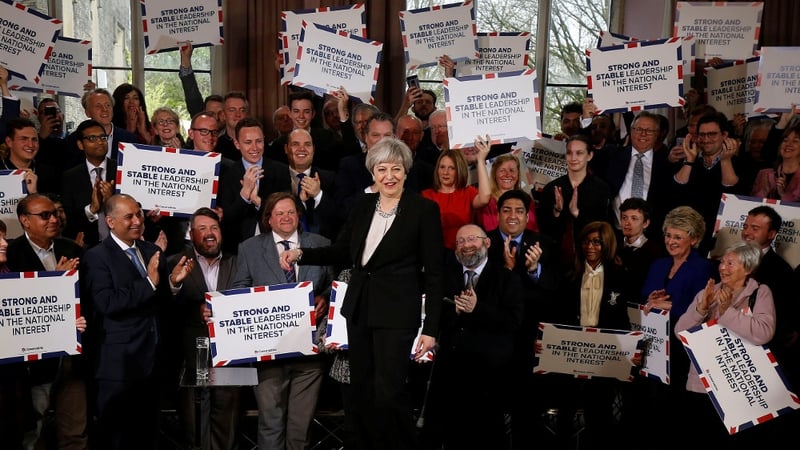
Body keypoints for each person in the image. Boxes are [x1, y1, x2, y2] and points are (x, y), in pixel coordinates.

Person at [280, 137, 443, 450]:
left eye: (396, 168)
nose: (389, 175)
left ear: (406, 172)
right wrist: (302, 253)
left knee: (390, 394)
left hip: (397, 314)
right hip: (359, 311)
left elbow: (435, 274)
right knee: (362, 392)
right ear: (373, 173)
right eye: (382, 169)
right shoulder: (363, 205)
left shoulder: (424, 210)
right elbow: (342, 249)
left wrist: (431, 329)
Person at [82, 193, 194, 450]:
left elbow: (161, 302)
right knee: (118, 437)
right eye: (129, 216)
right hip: (118, 364)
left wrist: (172, 284)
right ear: (110, 222)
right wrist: (150, 282)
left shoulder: (151, 250)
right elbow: (107, 304)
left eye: (139, 214)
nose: (137, 221)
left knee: (148, 434)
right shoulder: (96, 257)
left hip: (153, 361)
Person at [232, 192, 334, 450]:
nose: (286, 217)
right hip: (268, 354)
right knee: (270, 424)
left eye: (291, 212)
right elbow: (238, 291)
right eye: (279, 213)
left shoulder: (321, 243)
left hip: (309, 355)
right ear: (268, 219)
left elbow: (336, 284)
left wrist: (324, 297)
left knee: (301, 428)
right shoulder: (250, 247)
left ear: (299, 216)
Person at [423, 224, 523, 450]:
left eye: (471, 239)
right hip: (450, 374)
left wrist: (478, 309)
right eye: (460, 242)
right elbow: (433, 319)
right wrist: (455, 312)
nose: (466, 246)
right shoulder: (445, 279)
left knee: (485, 437)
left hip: (488, 376)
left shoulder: (507, 279)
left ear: (486, 243)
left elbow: (513, 322)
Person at [674, 241, 776, 448]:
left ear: (748, 268)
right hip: (701, 386)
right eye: (722, 262)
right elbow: (680, 332)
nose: (722, 267)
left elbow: (763, 333)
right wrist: (701, 309)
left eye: (730, 263)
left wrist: (727, 311)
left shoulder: (760, 293)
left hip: (738, 387)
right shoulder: (707, 293)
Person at [6, 194, 88, 450]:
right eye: (44, 215)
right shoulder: (10, 253)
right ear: (25, 221)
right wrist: (53, 280)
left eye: (54, 213)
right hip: (34, 364)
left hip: (72, 359)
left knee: (75, 431)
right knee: (33, 431)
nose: (54, 219)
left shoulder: (71, 249)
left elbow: (86, 296)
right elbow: (13, 306)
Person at [547, 220, 634, 447]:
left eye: (597, 242)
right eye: (585, 241)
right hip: (570, 354)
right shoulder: (570, 276)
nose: (590, 247)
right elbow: (557, 316)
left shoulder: (620, 277)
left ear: (607, 244)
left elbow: (624, 321)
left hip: (603, 356)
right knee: (565, 414)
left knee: (600, 414)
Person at [485, 189, 558, 450]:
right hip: (492, 341)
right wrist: (506, 268)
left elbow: (554, 291)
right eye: (506, 210)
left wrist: (533, 270)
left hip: (528, 340)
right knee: (490, 407)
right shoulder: (485, 243)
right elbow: (482, 292)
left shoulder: (544, 244)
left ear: (527, 216)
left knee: (526, 409)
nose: (512, 216)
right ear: (498, 215)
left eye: (518, 211)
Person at [639, 205, 716, 444]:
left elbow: (705, 309)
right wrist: (650, 301)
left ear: (693, 239)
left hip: (683, 349)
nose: (670, 241)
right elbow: (644, 297)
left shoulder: (705, 268)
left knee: (674, 408)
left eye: (677, 237)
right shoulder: (658, 264)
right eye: (668, 235)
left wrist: (673, 307)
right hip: (654, 345)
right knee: (650, 404)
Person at [170, 207, 241, 450]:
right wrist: (175, 288)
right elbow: (163, 307)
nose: (209, 234)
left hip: (230, 355)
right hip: (194, 354)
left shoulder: (239, 262)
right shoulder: (175, 263)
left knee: (226, 421)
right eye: (202, 229)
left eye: (213, 228)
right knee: (195, 423)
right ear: (191, 234)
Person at [674, 111, 748, 253]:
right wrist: (689, 161)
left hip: (722, 240)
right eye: (702, 135)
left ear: (724, 135)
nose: (706, 139)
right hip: (688, 238)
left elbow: (733, 195)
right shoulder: (689, 160)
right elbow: (677, 191)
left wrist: (725, 160)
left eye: (712, 134)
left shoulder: (740, 163)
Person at [537, 134, 612, 270]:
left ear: (589, 156)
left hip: (591, 260)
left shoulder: (601, 189)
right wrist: (557, 212)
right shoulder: (552, 188)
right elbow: (543, 228)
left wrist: (577, 214)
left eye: (579, 153)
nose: (573, 158)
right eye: (569, 153)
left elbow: (605, 227)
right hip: (556, 261)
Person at [217, 117, 291, 253]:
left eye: (259, 141)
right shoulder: (227, 174)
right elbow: (227, 219)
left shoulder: (280, 170)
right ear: (237, 144)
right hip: (238, 250)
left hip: (276, 248)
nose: (254, 148)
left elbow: (287, 212)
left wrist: (257, 201)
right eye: (248, 142)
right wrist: (244, 195)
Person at [604, 111, 677, 239]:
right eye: (638, 129)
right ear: (631, 131)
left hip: (651, 239)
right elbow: (587, 149)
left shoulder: (666, 163)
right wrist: (587, 120)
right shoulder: (612, 155)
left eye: (649, 131)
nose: (643, 134)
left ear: (657, 134)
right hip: (614, 235)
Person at [422, 139, 491, 252]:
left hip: (465, 252)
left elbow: (485, 197)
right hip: (437, 253)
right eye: (442, 167)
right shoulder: (426, 196)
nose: (445, 172)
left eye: (451, 168)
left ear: (459, 170)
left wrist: (480, 160)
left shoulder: (467, 193)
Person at [60, 119, 116, 248]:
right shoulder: (70, 177)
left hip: (121, 242)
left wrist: (111, 201)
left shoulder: (122, 170)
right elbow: (68, 220)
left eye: (103, 137)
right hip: (88, 247)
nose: (100, 142)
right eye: (92, 138)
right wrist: (91, 209)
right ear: (80, 144)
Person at [267, 89, 344, 172]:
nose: (301, 116)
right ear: (290, 113)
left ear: (313, 114)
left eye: (306, 112)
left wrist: (343, 112)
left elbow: (349, 154)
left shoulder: (328, 138)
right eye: (296, 111)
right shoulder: (278, 145)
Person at [284, 128, 339, 240]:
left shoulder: (330, 178)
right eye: (295, 144)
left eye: (307, 145)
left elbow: (338, 218)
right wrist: (300, 201)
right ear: (286, 149)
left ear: (313, 149)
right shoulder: (276, 177)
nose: (302, 149)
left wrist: (318, 195)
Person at [66, 88, 138, 167]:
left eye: (108, 105)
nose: (104, 110)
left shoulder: (130, 139)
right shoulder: (72, 141)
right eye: (98, 106)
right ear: (87, 113)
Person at [615, 197, 665, 300]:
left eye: (634, 218)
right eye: (624, 218)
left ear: (646, 223)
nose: (627, 223)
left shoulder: (655, 252)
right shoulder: (614, 246)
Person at [476, 152, 539, 233]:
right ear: (494, 174)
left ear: (518, 175)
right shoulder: (487, 202)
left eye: (512, 170)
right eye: (502, 170)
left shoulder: (527, 200)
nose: (507, 175)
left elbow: (533, 231)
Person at [2, 117, 58, 195]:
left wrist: (34, 193)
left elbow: (54, 206)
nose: (30, 145)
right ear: (9, 142)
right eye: (24, 139)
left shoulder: (49, 174)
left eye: (34, 140)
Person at [751, 123, 800, 202]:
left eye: (795, 141)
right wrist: (765, 191)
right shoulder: (764, 174)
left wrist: (783, 194)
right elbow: (751, 204)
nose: (788, 144)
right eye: (785, 140)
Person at [214, 91, 250, 161]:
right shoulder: (216, 146)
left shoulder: (259, 145)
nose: (238, 115)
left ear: (247, 114)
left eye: (242, 110)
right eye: (232, 110)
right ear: (223, 115)